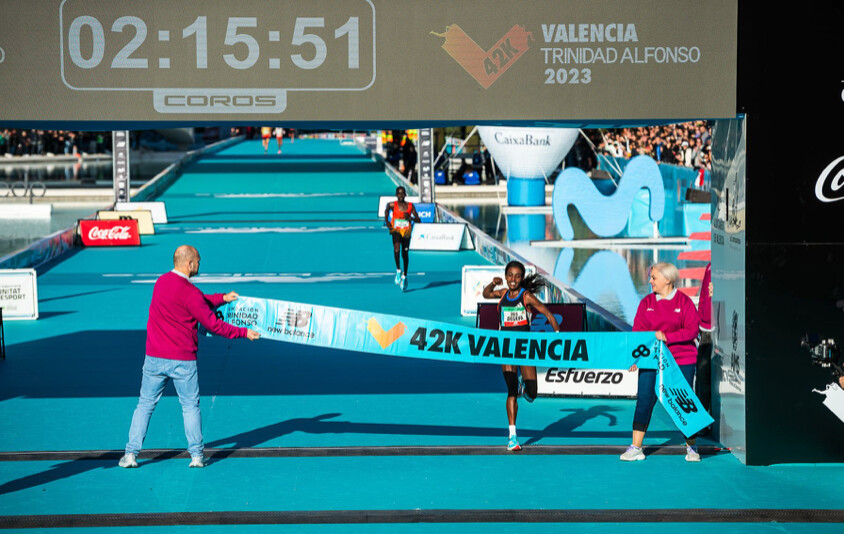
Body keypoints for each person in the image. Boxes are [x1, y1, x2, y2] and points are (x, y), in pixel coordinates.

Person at [119, 246, 261, 469]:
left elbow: (198, 301)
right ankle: (196, 456)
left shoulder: (161, 283)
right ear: (190, 264)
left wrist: (222, 298)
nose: (200, 264)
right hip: (182, 361)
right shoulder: (190, 293)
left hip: (154, 357)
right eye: (198, 261)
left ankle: (130, 454)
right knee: (190, 406)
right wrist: (244, 333)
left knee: (144, 405)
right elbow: (213, 324)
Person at [621, 262, 701, 462]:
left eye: (653, 277)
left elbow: (692, 330)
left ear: (667, 279)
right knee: (644, 400)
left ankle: (692, 447)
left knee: (684, 401)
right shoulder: (646, 303)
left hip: (681, 359)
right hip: (650, 359)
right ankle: (636, 447)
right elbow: (638, 333)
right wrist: (635, 358)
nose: (650, 281)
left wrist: (667, 337)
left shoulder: (684, 303)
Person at [482, 261, 560, 451]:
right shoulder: (502, 294)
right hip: (506, 349)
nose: (513, 279)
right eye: (510, 275)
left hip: (525, 350)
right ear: (505, 276)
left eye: (517, 276)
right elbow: (486, 294)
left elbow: (548, 314)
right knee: (511, 391)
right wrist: (493, 283)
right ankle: (512, 437)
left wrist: (560, 337)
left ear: (521, 278)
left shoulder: (527, 297)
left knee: (532, 394)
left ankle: (524, 387)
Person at [384, 186, 420, 291]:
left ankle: (405, 276)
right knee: (396, 250)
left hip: (406, 231)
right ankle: (398, 270)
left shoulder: (410, 206)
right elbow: (387, 209)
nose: (401, 195)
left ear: (405, 194)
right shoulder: (392, 204)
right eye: (399, 193)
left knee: (405, 253)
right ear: (396, 195)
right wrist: (387, 221)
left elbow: (418, 220)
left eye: (402, 193)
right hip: (396, 229)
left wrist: (410, 218)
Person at [696, 263, 713, 418]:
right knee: (702, 374)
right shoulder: (710, 266)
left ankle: (710, 417)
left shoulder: (726, 266)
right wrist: (699, 321)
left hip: (719, 328)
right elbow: (703, 295)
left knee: (713, 375)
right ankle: (700, 418)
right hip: (705, 328)